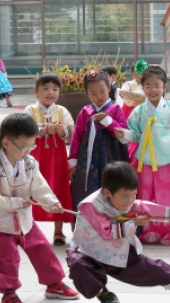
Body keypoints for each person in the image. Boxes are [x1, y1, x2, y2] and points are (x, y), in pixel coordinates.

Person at [66, 162, 170, 303]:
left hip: (119, 252)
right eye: (124, 196)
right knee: (77, 265)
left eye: (133, 194)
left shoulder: (130, 203)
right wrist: (134, 222)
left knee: (153, 269)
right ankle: (104, 295)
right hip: (89, 253)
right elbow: (106, 232)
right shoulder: (90, 205)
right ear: (107, 192)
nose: (129, 201)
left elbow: (159, 211)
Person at [0, 113, 79, 303]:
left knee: (41, 248)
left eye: (31, 146)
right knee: (5, 257)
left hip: (25, 219)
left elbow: (39, 187)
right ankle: (8, 294)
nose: (28, 151)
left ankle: (54, 284)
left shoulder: (30, 163)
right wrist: (13, 202)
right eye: (24, 146)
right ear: (6, 142)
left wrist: (52, 203)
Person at [115, 65, 170, 245]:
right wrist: (123, 134)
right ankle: (149, 231)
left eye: (157, 85)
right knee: (146, 195)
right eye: (148, 86)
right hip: (145, 158)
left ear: (165, 87)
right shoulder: (139, 111)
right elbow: (134, 134)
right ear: (142, 87)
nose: (153, 90)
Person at [23, 72, 74, 245]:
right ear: (37, 91)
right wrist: (44, 130)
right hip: (34, 158)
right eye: (45, 88)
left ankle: (58, 231)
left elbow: (70, 130)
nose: (50, 92)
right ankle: (28, 228)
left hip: (57, 159)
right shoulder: (30, 110)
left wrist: (63, 131)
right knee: (30, 190)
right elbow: (24, 129)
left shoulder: (62, 110)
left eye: (54, 89)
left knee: (57, 189)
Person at [68, 69, 129, 214]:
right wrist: (73, 162)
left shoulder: (115, 109)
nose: (99, 96)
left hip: (112, 157)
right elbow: (77, 137)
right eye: (93, 94)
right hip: (87, 161)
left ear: (109, 87)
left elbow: (124, 134)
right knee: (87, 189)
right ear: (87, 94)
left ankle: (114, 223)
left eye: (102, 91)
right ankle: (87, 224)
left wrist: (108, 121)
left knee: (113, 187)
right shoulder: (85, 112)